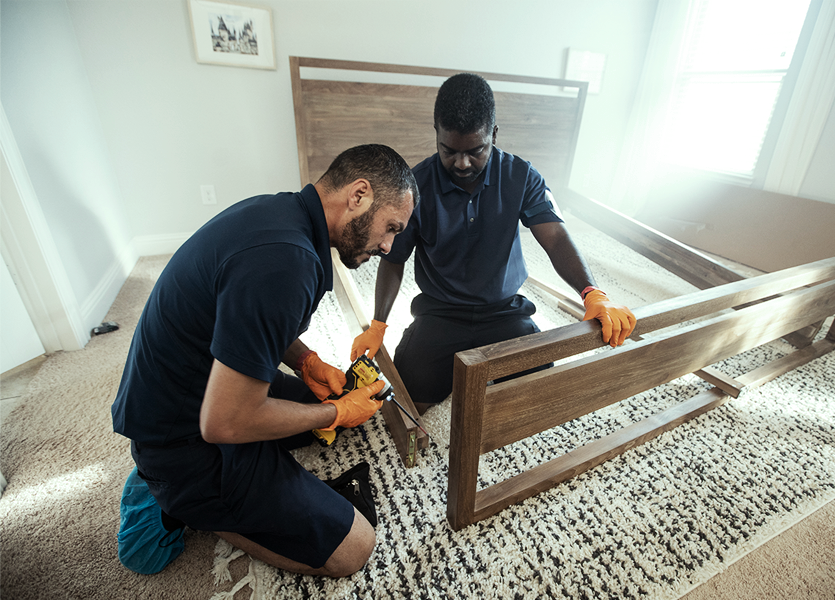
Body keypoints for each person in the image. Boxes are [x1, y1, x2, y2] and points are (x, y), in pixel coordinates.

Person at [111, 144, 418, 577]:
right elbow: (226, 424)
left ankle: (194, 486)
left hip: (194, 386)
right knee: (354, 548)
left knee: (323, 424)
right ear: (359, 195)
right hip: (184, 438)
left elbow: (243, 316)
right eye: (391, 227)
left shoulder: (279, 215)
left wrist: (307, 361)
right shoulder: (286, 263)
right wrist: (334, 411)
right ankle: (179, 501)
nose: (388, 245)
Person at [350, 73, 636, 414]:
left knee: (536, 400)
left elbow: (555, 237)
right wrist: (379, 322)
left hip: (504, 311)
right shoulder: (414, 186)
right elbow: (394, 259)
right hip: (441, 311)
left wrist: (592, 292)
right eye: (449, 151)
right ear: (436, 134)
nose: (462, 163)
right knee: (409, 401)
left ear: (494, 135)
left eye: (476, 150)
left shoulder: (522, 176)